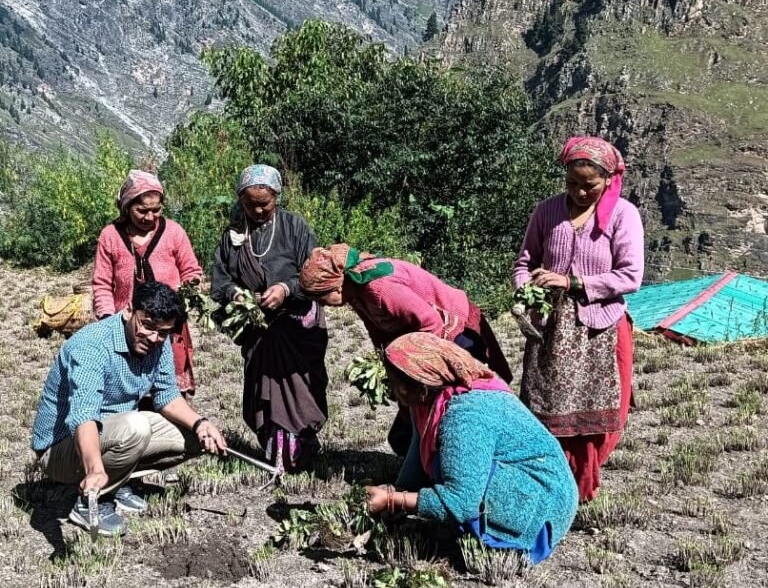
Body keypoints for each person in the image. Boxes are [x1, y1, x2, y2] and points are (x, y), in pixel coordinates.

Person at [31, 282, 227, 536]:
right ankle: (92, 499)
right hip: (61, 448)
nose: (154, 337)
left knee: (195, 437)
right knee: (135, 427)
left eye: (163, 332)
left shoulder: (159, 343)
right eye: (147, 325)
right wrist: (94, 469)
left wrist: (202, 424)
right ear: (129, 310)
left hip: (114, 432)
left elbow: (167, 397)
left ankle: (118, 481)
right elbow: (84, 415)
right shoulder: (92, 345)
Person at [364, 333, 578, 562]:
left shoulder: (465, 416)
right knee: (448, 467)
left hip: (540, 512)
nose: (391, 390)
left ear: (419, 388)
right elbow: (418, 454)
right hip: (531, 486)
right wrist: (397, 491)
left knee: (459, 483)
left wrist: (391, 500)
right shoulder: (432, 399)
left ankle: (503, 539)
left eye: (393, 382)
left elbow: (461, 502)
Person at [513, 136, 644, 502]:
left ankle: (581, 483)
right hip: (550, 328)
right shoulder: (548, 211)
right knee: (545, 405)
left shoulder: (623, 215)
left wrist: (573, 282)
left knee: (594, 411)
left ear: (608, 179)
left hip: (598, 326)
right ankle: (548, 478)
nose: (581, 192)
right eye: (573, 183)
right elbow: (525, 261)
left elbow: (631, 275)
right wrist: (525, 289)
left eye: (590, 185)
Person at [299, 243, 512, 454]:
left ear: (337, 285)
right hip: (421, 337)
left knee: (456, 400)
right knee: (415, 406)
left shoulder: (380, 288)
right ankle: (425, 457)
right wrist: (385, 362)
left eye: (321, 297)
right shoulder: (355, 291)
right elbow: (376, 329)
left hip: (454, 330)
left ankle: (464, 454)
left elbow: (431, 323)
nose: (322, 305)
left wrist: (415, 367)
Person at [211, 164, 328, 473]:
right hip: (259, 332)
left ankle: (300, 449)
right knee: (263, 390)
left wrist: (286, 289)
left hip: (296, 326)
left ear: (277, 196)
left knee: (299, 389)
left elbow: (317, 276)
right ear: (241, 200)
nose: (258, 210)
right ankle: (273, 449)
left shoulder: (295, 227)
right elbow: (219, 283)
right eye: (250, 204)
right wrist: (238, 295)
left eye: (265, 203)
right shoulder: (233, 236)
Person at [92, 170, 203, 398]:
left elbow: (191, 270)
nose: (150, 217)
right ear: (126, 207)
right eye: (142, 210)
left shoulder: (173, 232)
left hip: (167, 327)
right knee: (128, 387)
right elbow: (102, 283)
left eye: (156, 210)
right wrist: (107, 318)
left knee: (168, 391)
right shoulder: (110, 236)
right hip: (131, 326)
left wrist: (186, 291)